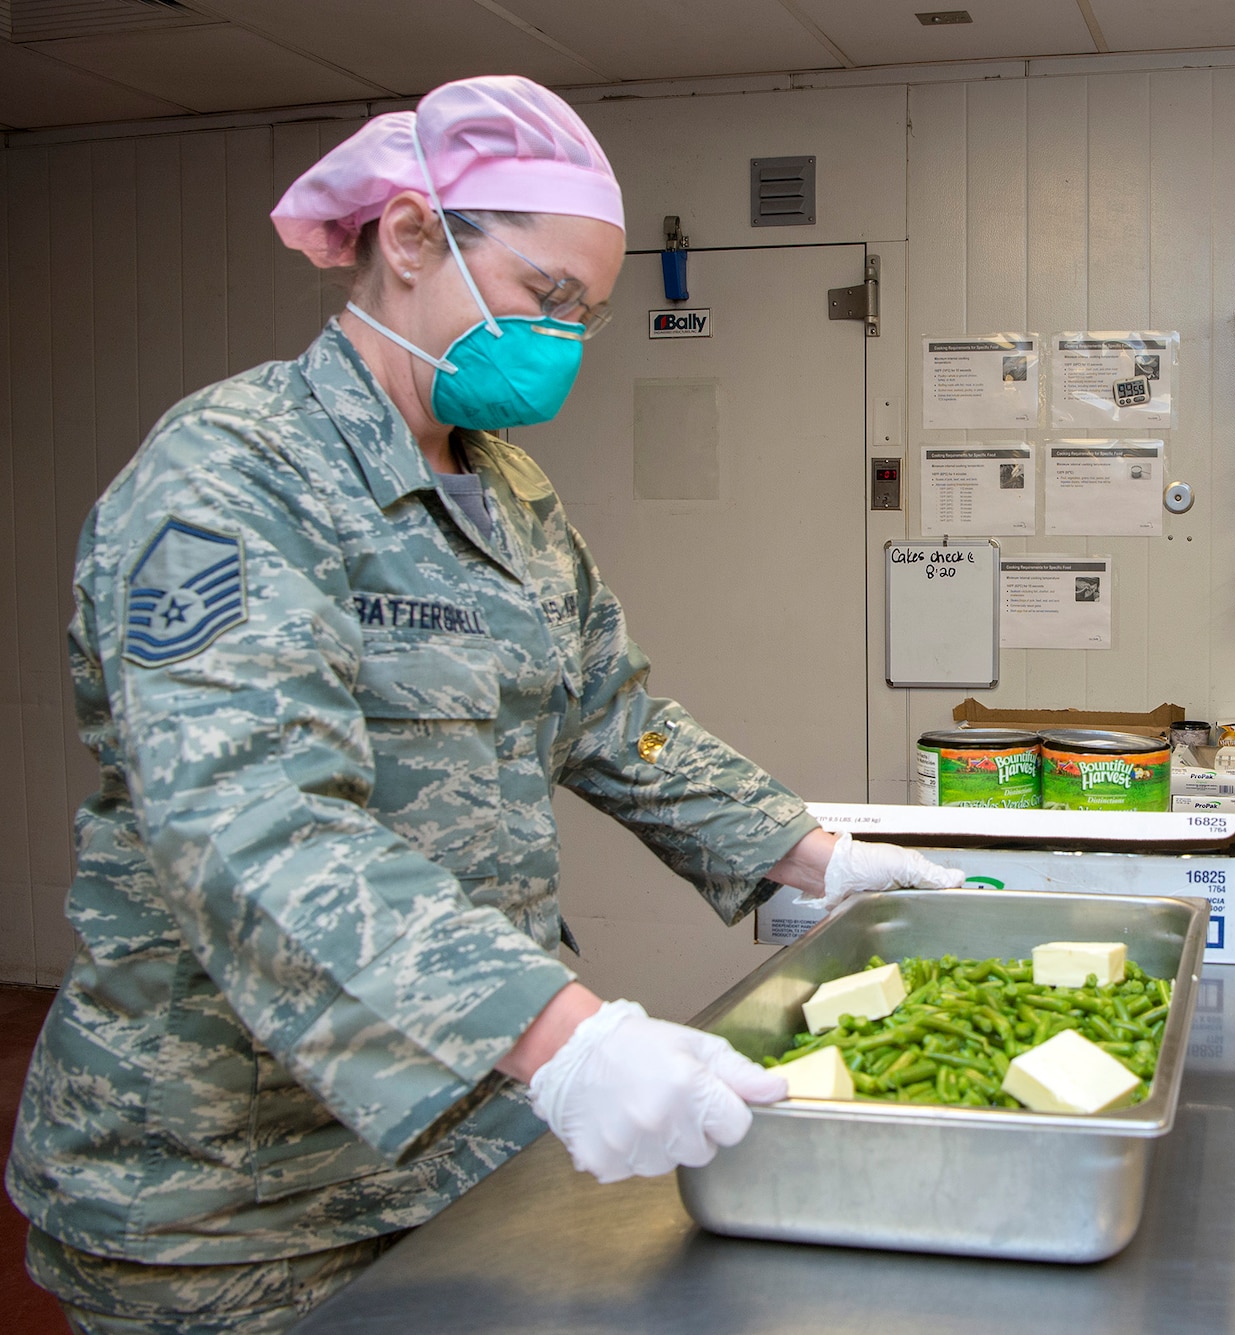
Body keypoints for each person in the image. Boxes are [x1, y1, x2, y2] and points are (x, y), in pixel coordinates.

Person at [6, 75, 961, 1334]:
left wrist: (815, 857)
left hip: (449, 1153)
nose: (563, 340)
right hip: (233, 1189)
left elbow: (609, 718)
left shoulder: (501, 485)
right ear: (409, 239)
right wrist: (563, 1037)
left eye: (589, 315)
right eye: (545, 298)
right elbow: (251, 826)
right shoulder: (228, 476)